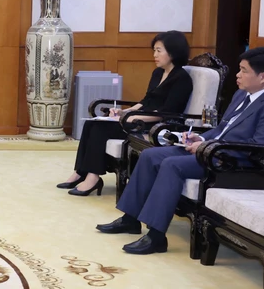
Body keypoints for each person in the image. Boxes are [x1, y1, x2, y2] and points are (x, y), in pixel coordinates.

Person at [96, 47, 264, 255]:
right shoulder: (242, 94)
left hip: (236, 163)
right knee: (150, 155)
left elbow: (258, 149)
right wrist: (200, 138)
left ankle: (155, 237)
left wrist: (208, 148)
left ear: (263, 76)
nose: (238, 75)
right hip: (213, 151)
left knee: (172, 164)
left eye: (244, 70)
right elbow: (222, 129)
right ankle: (130, 219)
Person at [59, 31, 194, 196]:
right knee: (92, 123)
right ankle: (80, 172)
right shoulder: (158, 73)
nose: (155, 55)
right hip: (139, 119)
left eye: (159, 50)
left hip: (157, 125)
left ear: (173, 52)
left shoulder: (182, 79)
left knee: (101, 130)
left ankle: (93, 177)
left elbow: (168, 113)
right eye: (154, 50)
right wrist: (125, 112)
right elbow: (145, 101)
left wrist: (134, 117)